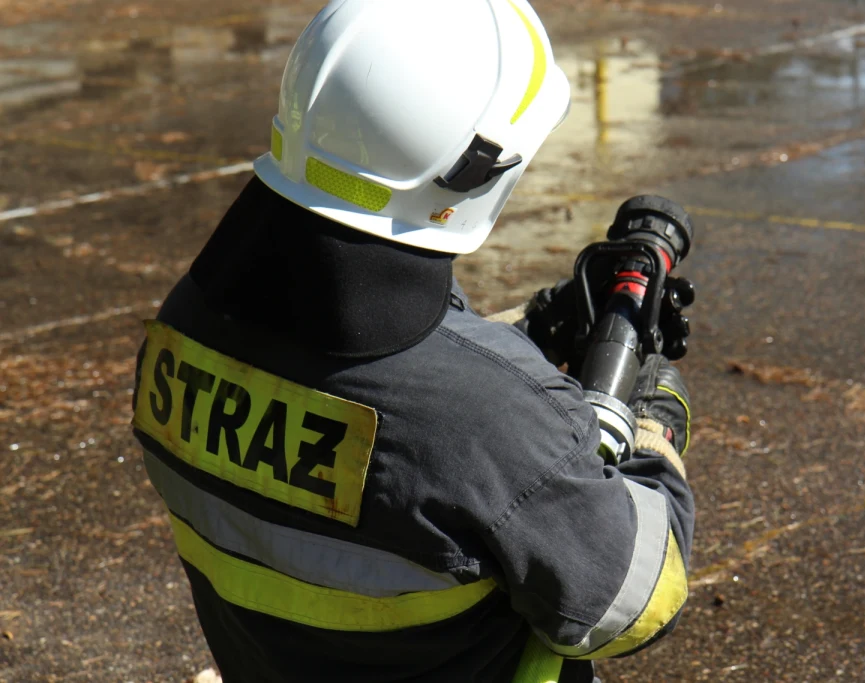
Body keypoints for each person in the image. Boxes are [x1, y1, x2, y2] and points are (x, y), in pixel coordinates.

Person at [129, 1, 696, 682]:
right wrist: (652, 430)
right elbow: (632, 603)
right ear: (476, 172)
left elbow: (390, 396)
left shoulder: (183, 328)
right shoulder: (488, 423)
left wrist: (530, 331)